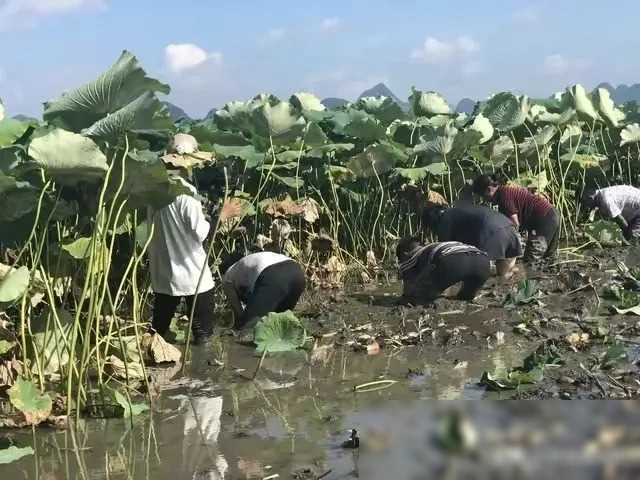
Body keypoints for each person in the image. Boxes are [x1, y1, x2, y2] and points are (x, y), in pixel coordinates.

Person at [147, 177, 215, 345]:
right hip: (193, 272)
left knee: (158, 332)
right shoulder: (186, 192)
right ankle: (200, 368)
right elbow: (201, 233)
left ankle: (153, 362)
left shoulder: (154, 193)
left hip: (164, 273)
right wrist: (221, 216)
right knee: (203, 336)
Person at [472, 174, 560, 263]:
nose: (485, 199)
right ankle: (550, 275)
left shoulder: (504, 196)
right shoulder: (505, 191)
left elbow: (514, 224)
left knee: (531, 260)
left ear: (488, 189)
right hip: (551, 213)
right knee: (549, 257)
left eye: (483, 196)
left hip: (543, 218)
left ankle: (532, 276)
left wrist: (511, 248)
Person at [422, 203, 522, 278]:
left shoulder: (444, 220)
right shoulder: (457, 211)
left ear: (432, 221)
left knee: (477, 272)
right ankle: (512, 274)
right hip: (509, 228)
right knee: (502, 275)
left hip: (492, 234)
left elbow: (445, 251)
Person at [221, 251, 305, 330]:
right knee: (280, 324)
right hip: (297, 273)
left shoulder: (227, 276)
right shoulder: (248, 262)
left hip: (274, 276)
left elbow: (238, 311)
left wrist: (240, 323)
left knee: (248, 327)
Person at [396, 237, 490, 303]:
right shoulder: (435, 246)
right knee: (465, 297)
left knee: (421, 295)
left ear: (405, 253)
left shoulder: (412, 256)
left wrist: (407, 297)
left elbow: (407, 289)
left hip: (454, 260)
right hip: (483, 261)